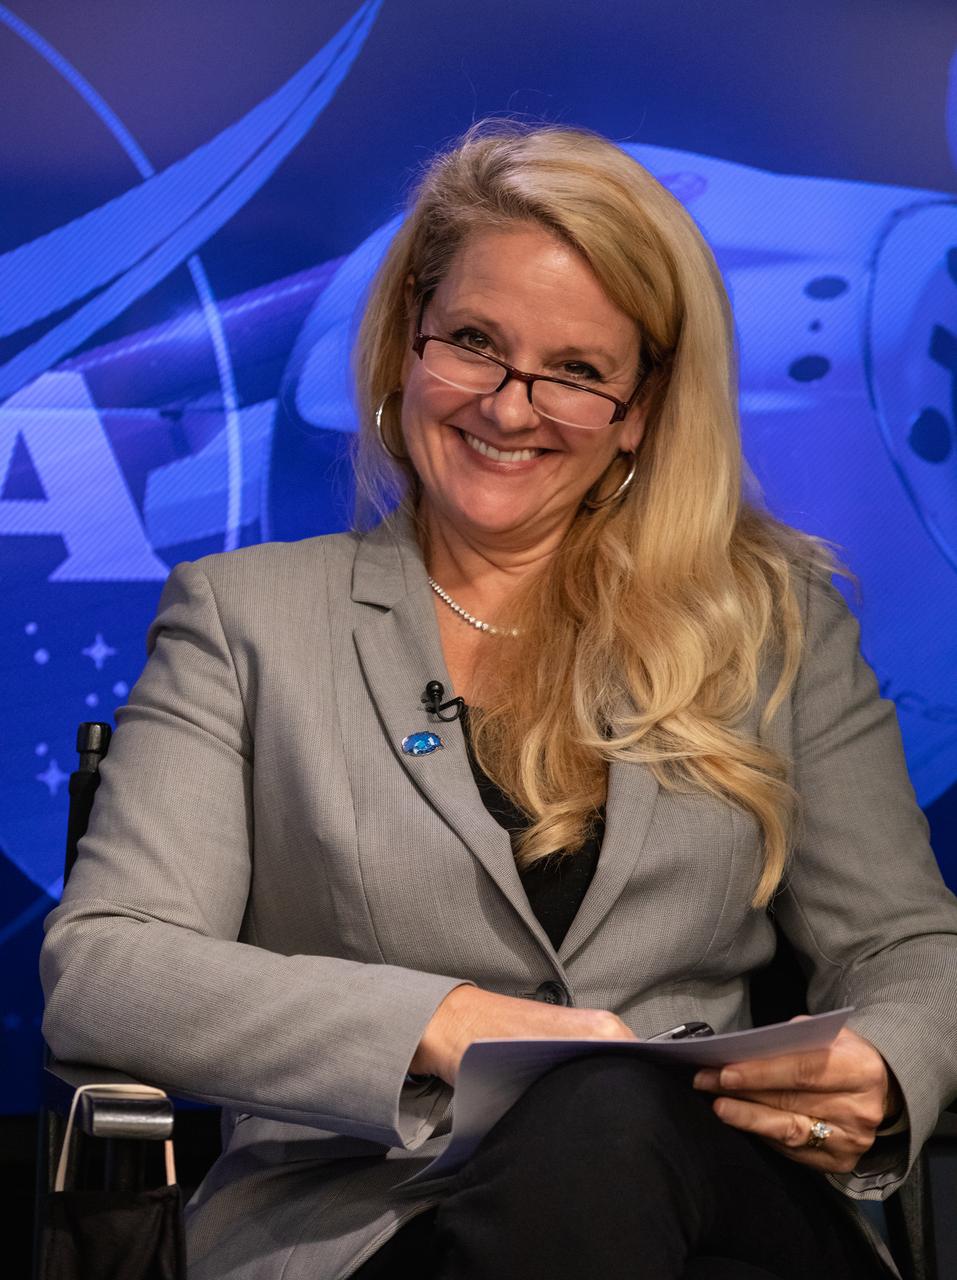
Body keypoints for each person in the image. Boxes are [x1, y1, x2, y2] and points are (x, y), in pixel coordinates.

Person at [40, 121, 957, 1280]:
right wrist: (443, 1021)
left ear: (638, 407)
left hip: (719, 1209)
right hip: (371, 1226)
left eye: (576, 370)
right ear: (406, 343)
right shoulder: (246, 620)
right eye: (475, 343)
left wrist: (885, 1058)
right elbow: (108, 967)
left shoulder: (775, 622)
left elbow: (907, 942)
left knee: (610, 1116)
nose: (512, 408)